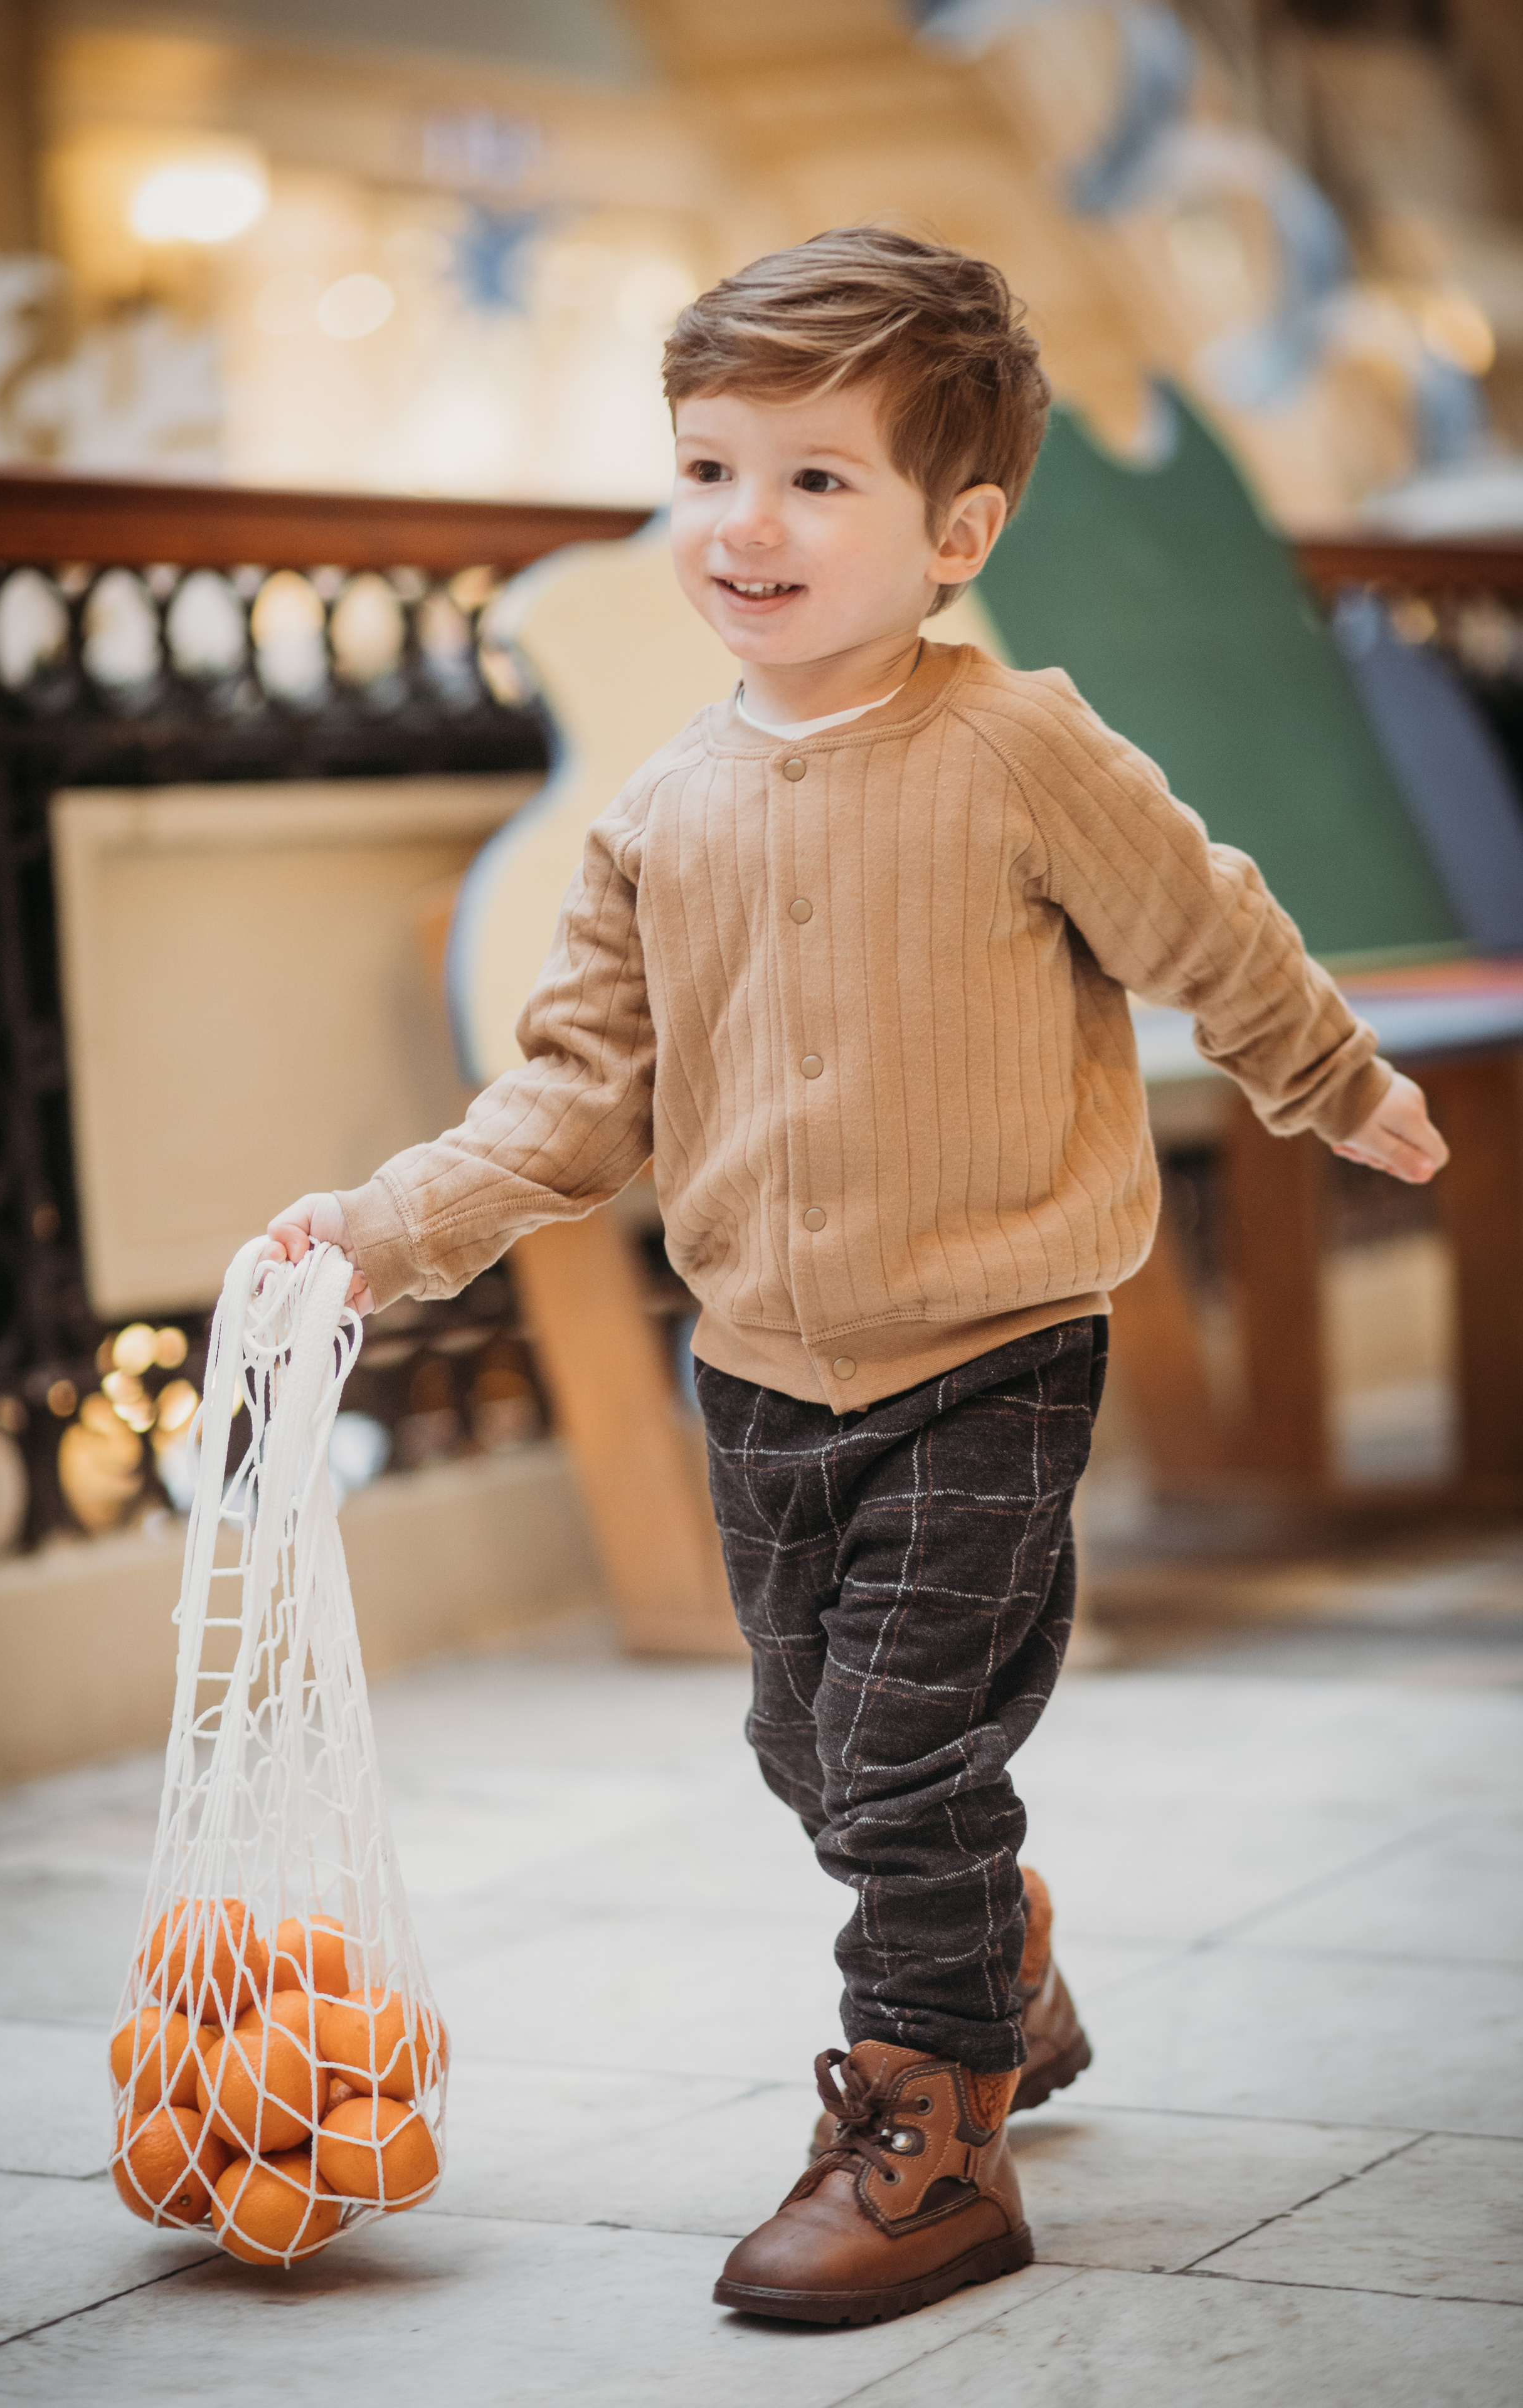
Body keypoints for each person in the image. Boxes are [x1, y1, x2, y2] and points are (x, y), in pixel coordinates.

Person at [267, 226, 1448, 2326]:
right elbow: (566, 1103)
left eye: (821, 477)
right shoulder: (657, 819)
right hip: (758, 1374)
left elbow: (1207, 921)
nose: (749, 522)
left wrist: (1329, 1079)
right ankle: (993, 1961)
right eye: (712, 468)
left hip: (993, 1348)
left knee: (905, 1755)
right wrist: (378, 1231)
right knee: (808, 1750)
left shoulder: (1023, 751)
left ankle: (928, 2135)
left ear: (954, 530)